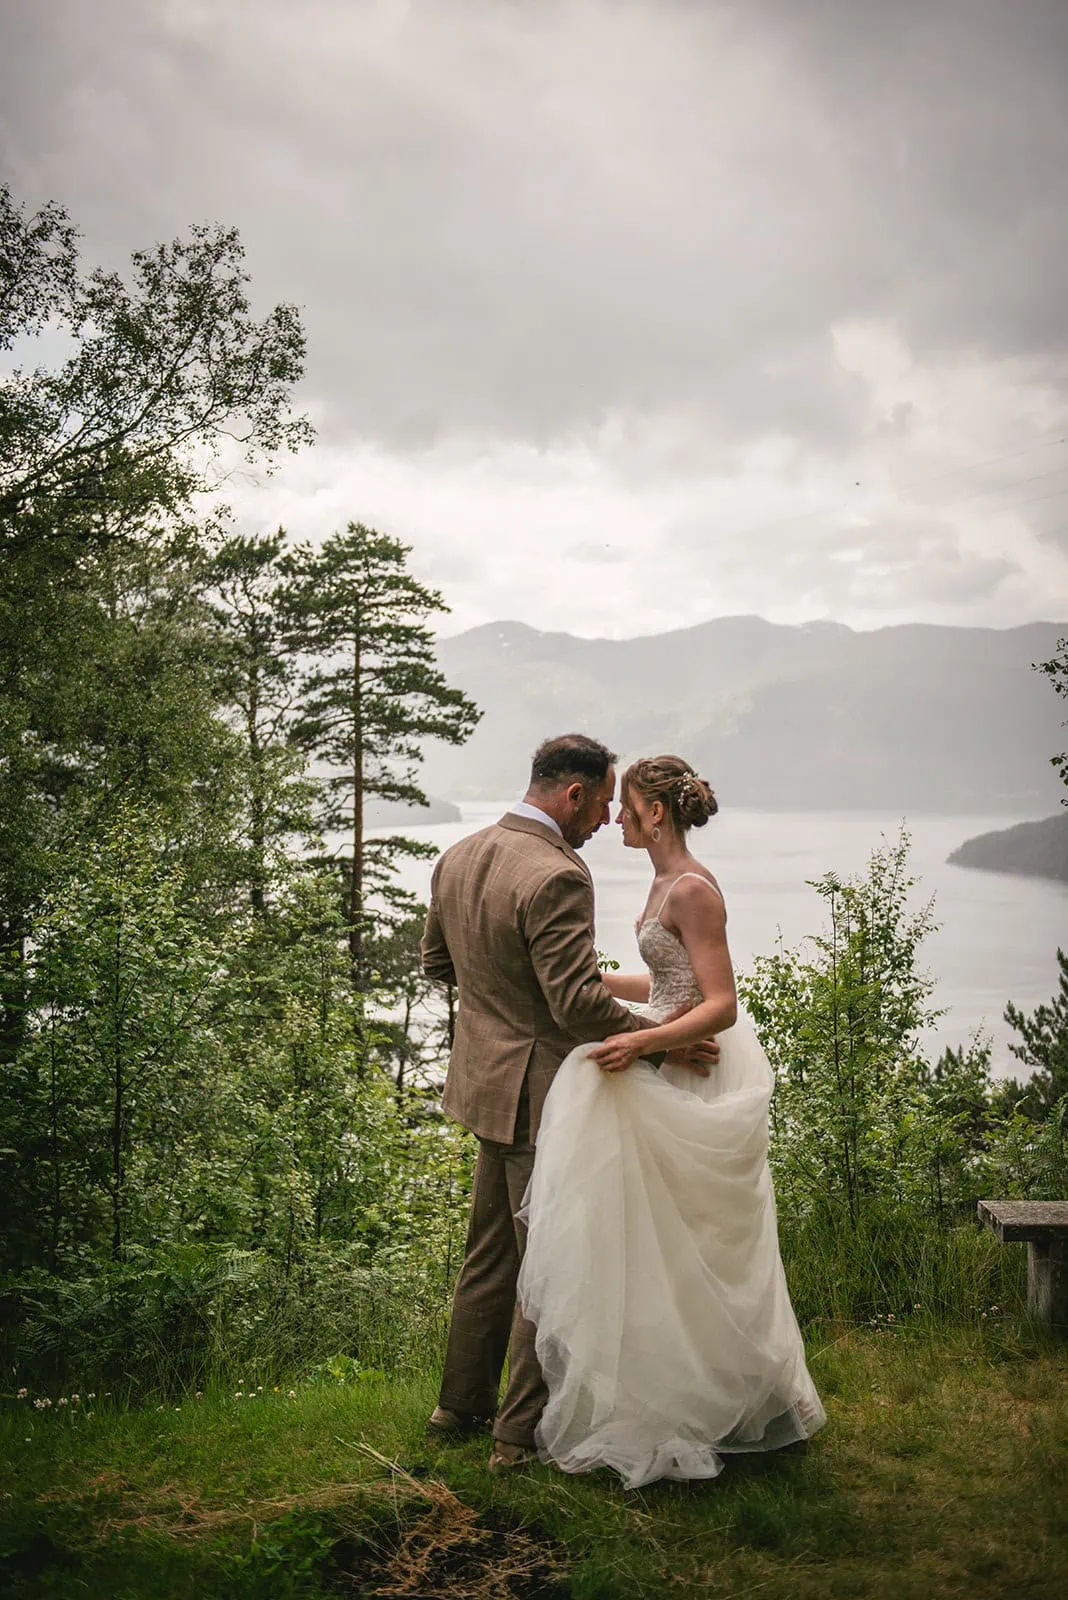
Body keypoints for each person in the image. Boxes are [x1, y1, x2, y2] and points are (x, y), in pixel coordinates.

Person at [517, 754, 825, 1488]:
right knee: (661, 1245)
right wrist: (595, 981)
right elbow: (666, 979)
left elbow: (721, 1002)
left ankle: (731, 1398)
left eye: (624, 807)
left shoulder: (691, 888)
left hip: (694, 1067)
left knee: (698, 1245)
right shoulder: (662, 883)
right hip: (666, 1050)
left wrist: (641, 1042)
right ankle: (677, 1391)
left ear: (655, 813)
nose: (615, 818)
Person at [420, 735, 718, 1471]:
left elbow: (438, 964)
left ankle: (458, 1406)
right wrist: (663, 1043)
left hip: (483, 1083)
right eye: (601, 804)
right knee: (549, 1261)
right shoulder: (557, 873)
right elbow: (578, 1005)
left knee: (490, 1252)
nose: (605, 821)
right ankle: (516, 1437)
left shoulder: (459, 855)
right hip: (539, 1093)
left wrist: (502, 1004)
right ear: (574, 794)